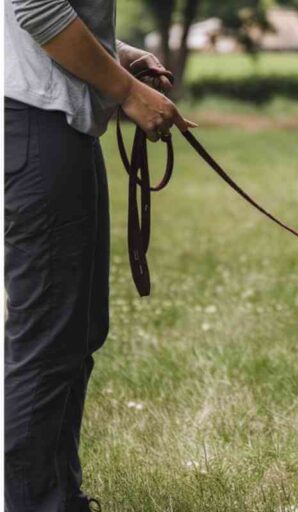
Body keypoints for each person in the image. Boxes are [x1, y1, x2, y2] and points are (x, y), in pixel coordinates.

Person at [5, 1, 193, 510]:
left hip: (59, 125)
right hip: (36, 122)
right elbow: (37, 9)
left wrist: (118, 56)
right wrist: (129, 92)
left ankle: (58, 497)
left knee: (77, 332)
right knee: (46, 340)